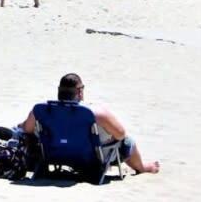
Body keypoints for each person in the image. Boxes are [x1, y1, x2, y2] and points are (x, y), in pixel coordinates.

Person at [20, 74, 160, 174]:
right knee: (128, 141)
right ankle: (142, 168)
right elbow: (121, 134)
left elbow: (27, 128)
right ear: (80, 91)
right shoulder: (95, 113)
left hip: (54, 154)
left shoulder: (41, 109)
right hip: (90, 158)